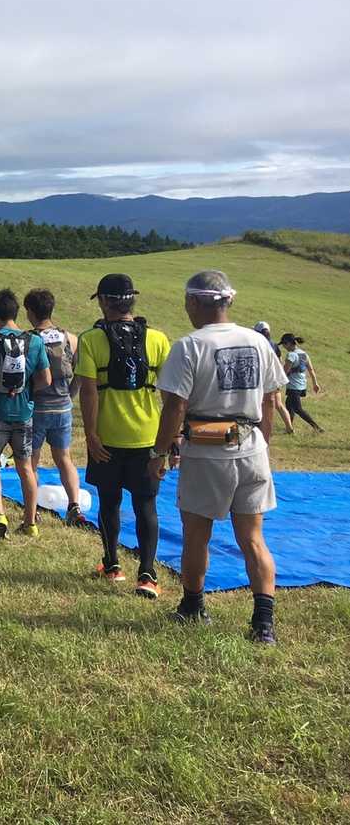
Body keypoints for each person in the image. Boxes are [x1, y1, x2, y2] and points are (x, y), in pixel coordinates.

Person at [152, 270, 287, 644]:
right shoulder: (258, 342)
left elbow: (175, 406)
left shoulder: (189, 345)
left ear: (195, 302)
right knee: (253, 538)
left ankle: (193, 606)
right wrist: (263, 443)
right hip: (251, 447)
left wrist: (159, 452)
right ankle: (263, 623)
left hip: (206, 451)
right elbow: (269, 400)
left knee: (197, 536)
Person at [74, 274, 172, 596]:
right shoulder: (158, 339)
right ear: (133, 300)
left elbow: (89, 392)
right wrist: (171, 439)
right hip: (148, 436)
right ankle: (147, 575)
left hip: (107, 437)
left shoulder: (90, 339)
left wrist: (91, 434)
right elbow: (171, 395)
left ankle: (112, 564)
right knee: (146, 505)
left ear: (103, 301)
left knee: (109, 501)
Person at [0, 289, 51, 539]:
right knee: (26, 468)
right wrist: (25, 390)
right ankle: (30, 522)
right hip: (24, 414)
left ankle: (0, 517)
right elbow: (46, 379)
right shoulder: (35, 341)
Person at [23, 289, 87, 528]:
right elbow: (81, 372)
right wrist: (70, 395)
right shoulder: (69, 338)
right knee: (64, 458)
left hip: (36, 408)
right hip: (62, 408)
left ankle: (32, 511)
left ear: (30, 312)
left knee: (31, 461)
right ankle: (74, 506)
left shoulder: (27, 339)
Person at [280, 334, 324, 434]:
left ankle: (317, 428)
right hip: (302, 385)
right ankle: (289, 428)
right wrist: (315, 383)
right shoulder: (304, 354)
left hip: (293, 386)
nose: (283, 346)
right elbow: (311, 370)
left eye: (284, 344)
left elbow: (284, 372)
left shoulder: (291, 355)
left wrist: (277, 383)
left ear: (289, 343)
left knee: (298, 409)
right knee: (289, 405)